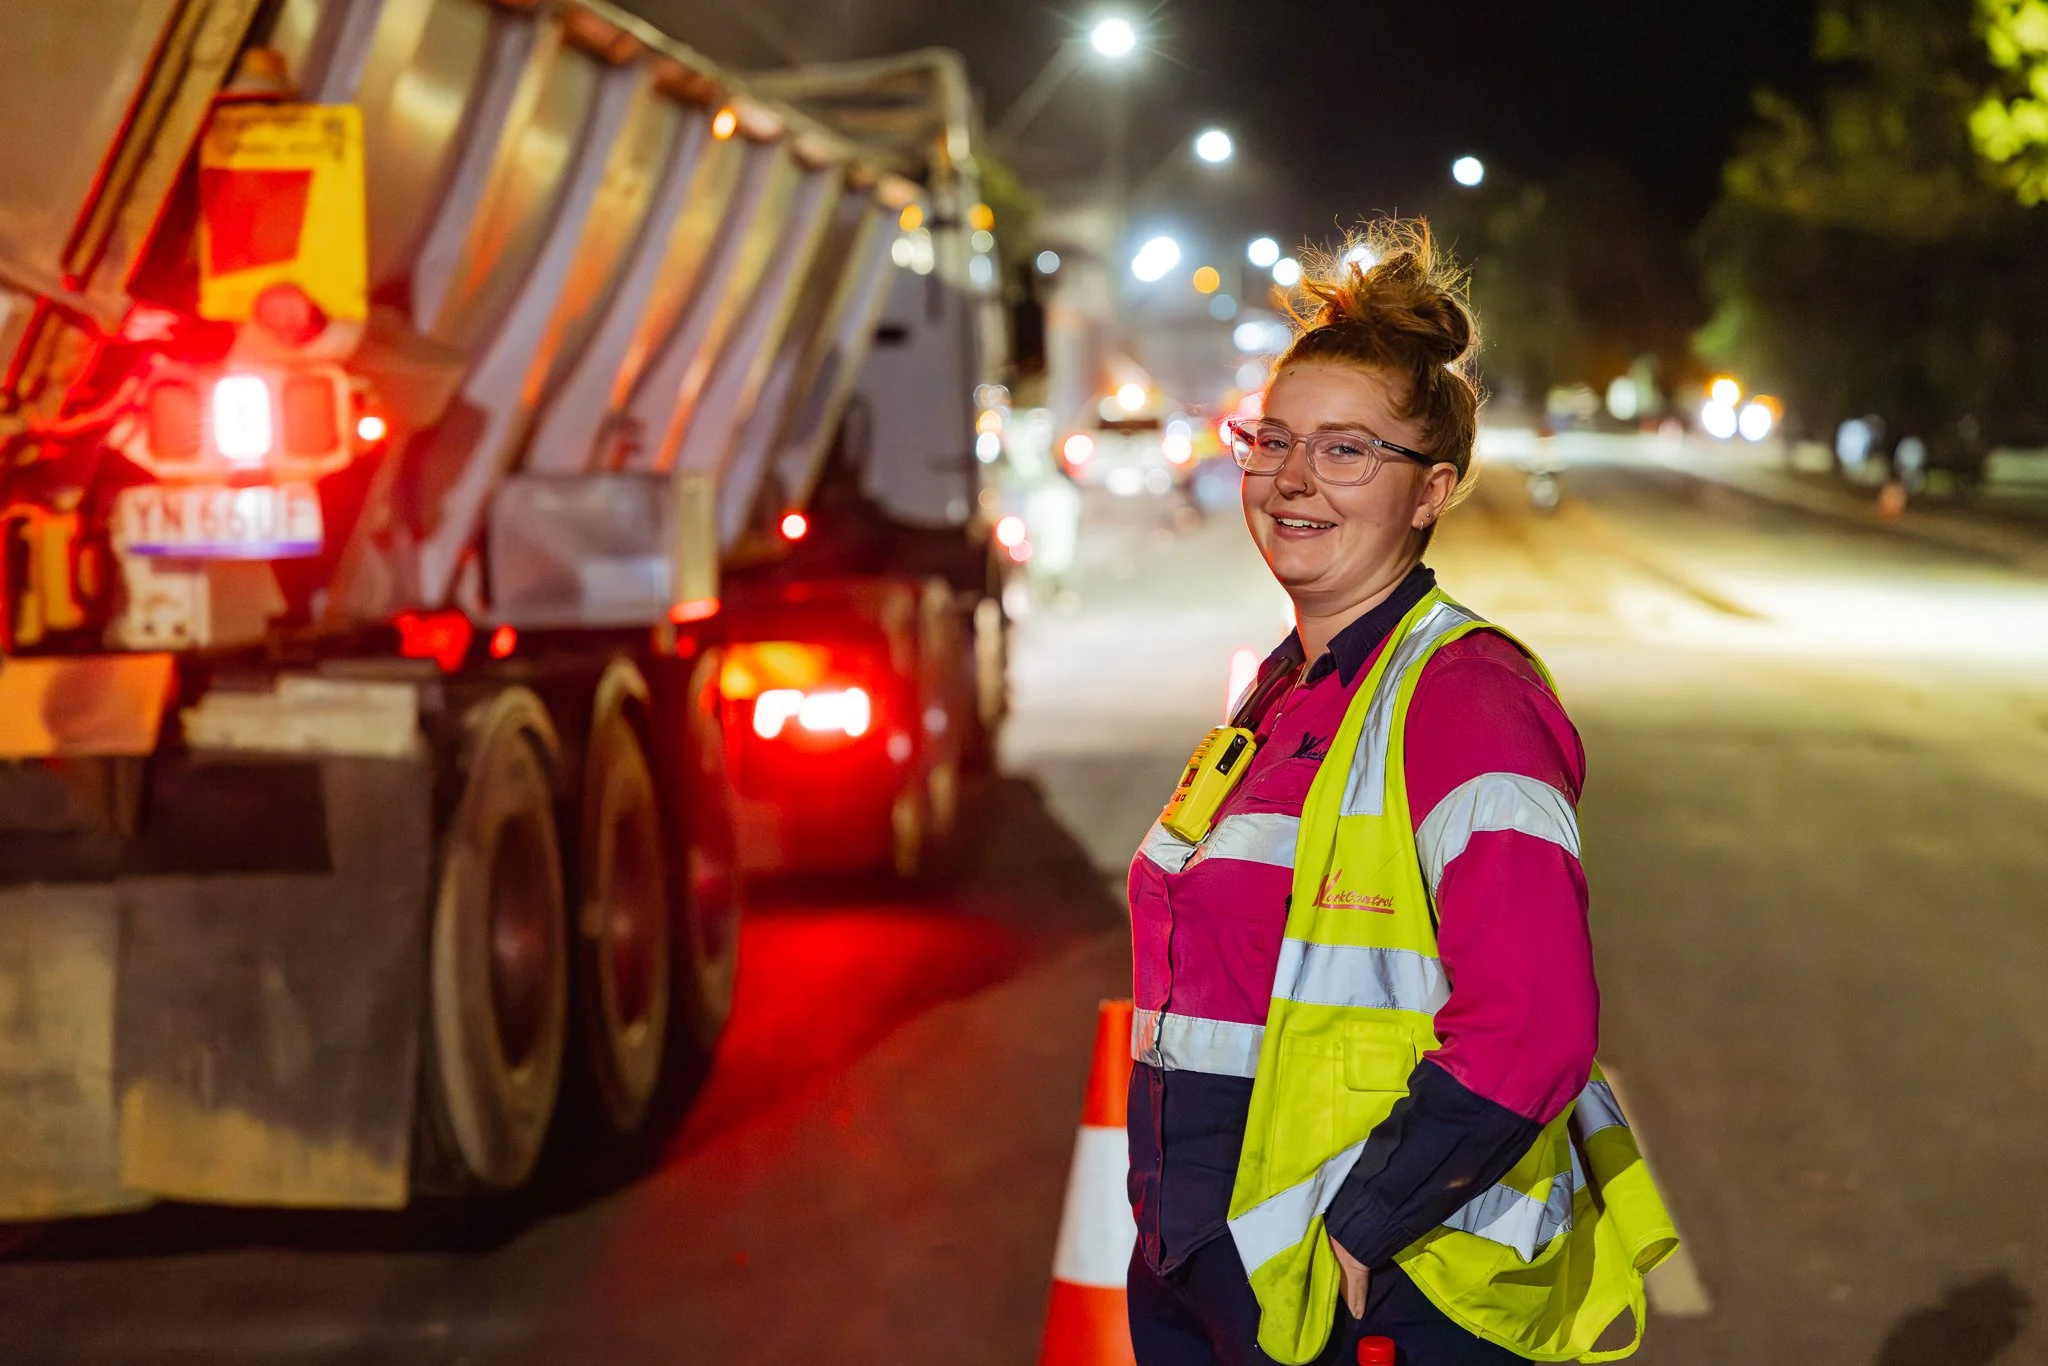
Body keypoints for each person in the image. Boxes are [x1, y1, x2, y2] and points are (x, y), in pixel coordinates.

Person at [1123, 220, 1676, 1366]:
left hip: (1376, 1295)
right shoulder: (1289, 686)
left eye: (1343, 451)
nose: (1287, 478)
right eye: (1271, 439)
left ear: (1429, 492)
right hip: (1213, 1260)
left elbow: (1531, 1022)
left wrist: (1361, 1235)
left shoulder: (1462, 695)